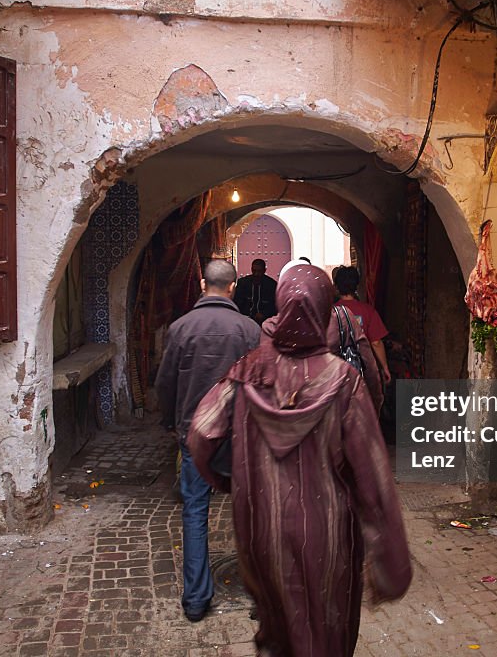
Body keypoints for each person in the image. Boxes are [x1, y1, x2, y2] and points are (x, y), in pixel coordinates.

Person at [188, 264, 412, 657]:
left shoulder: (246, 371)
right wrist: (391, 561)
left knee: (279, 623)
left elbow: (201, 434)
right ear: (326, 309)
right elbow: (372, 476)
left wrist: (227, 481)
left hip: (261, 526)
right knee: (327, 623)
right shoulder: (343, 381)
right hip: (327, 531)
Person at [154, 259, 261, 622]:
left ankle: (197, 599)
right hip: (239, 435)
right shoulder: (249, 329)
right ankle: (262, 596)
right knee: (249, 512)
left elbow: (165, 383)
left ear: (203, 284)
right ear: (233, 287)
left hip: (194, 434)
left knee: (195, 511)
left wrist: (171, 423)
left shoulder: (181, 328)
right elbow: (260, 385)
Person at [261, 259, 383, 412]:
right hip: (334, 407)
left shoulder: (271, 327)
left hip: (288, 414)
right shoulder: (343, 319)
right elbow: (369, 367)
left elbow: (266, 378)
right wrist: (373, 407)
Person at [334, 265, 392, 385]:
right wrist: (385, 367)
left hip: (337, 371)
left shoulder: (330, 311)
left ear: (336, 287)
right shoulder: (368, 311)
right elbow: (376, 342)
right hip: (363, 371)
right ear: (357, 285)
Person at [233, 258, 278, 324]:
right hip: (245, 320)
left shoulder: (271, 285)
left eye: (259, 271)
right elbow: (237, 302)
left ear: (264, 271)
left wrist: (264, 314)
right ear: (251, 270)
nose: (256, 274)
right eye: (254, 271)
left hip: (264, 322)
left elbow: (274, 306)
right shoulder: (243, 283)